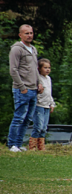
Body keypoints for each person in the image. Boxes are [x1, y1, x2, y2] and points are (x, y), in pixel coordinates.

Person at [7, 24, 42, 152]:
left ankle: (19, 143)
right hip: (22, 89)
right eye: (26, 33)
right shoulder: (17, 49)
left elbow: (35, 69)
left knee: (27, 119)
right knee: (19, 117)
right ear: (20, 35)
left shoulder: (33, 49)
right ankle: (12, 145)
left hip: (33, 89)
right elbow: (13, 70)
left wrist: (39, 83)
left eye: (31, 33)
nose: (29, 35)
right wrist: (22, 87)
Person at [30, 58, 55, 151]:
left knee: (44, 128)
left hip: (46, 106)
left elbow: (49, 93)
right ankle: (32, 146)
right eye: (45, 67)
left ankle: (41, 147)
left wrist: (52, 103)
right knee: (38, 127)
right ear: (39, 68)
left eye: (49, 67)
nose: (47, 69)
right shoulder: (38, 79)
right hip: (39, 105)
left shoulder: (48, 79)